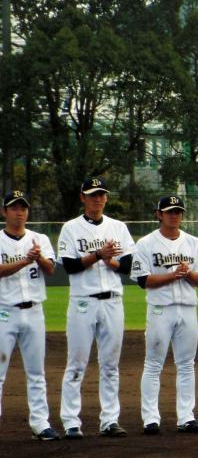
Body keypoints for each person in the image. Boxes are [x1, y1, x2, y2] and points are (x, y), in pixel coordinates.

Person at [58, 177, 135, 439]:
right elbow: (69, 266)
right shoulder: (70, 228)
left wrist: (111, 261)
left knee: (111, 364)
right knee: (77, 363)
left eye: (101, 194)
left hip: (113, 300)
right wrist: (98, 255)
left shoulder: (118, 227)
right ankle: (70, 421)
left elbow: (129, 266)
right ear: (83, 198)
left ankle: (110, 420)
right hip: (83, 301)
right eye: (92, 195)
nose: (97, 199)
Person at [131, 195, 198, 435]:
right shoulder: (145, 243)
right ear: (159, 214)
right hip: (160, 309)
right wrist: (171, 275)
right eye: (169, 211)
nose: (174, 215)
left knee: (186, 364)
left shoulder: (193, 242)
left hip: (187, 308)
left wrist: (187, 274)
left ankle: (186, 417)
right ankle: (150, 419)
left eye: (177, 211)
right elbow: (143, 281)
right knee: (153, 364)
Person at [0, 191, 59, 441]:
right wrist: (25, 261)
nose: (19, 212)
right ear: (4, 212)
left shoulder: (40, 238)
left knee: (36, 371)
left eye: (23, 207)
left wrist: (40, 258)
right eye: (14, 208)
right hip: (4, 312)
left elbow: (51, 269)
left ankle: (40, 423)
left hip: (34, 311)